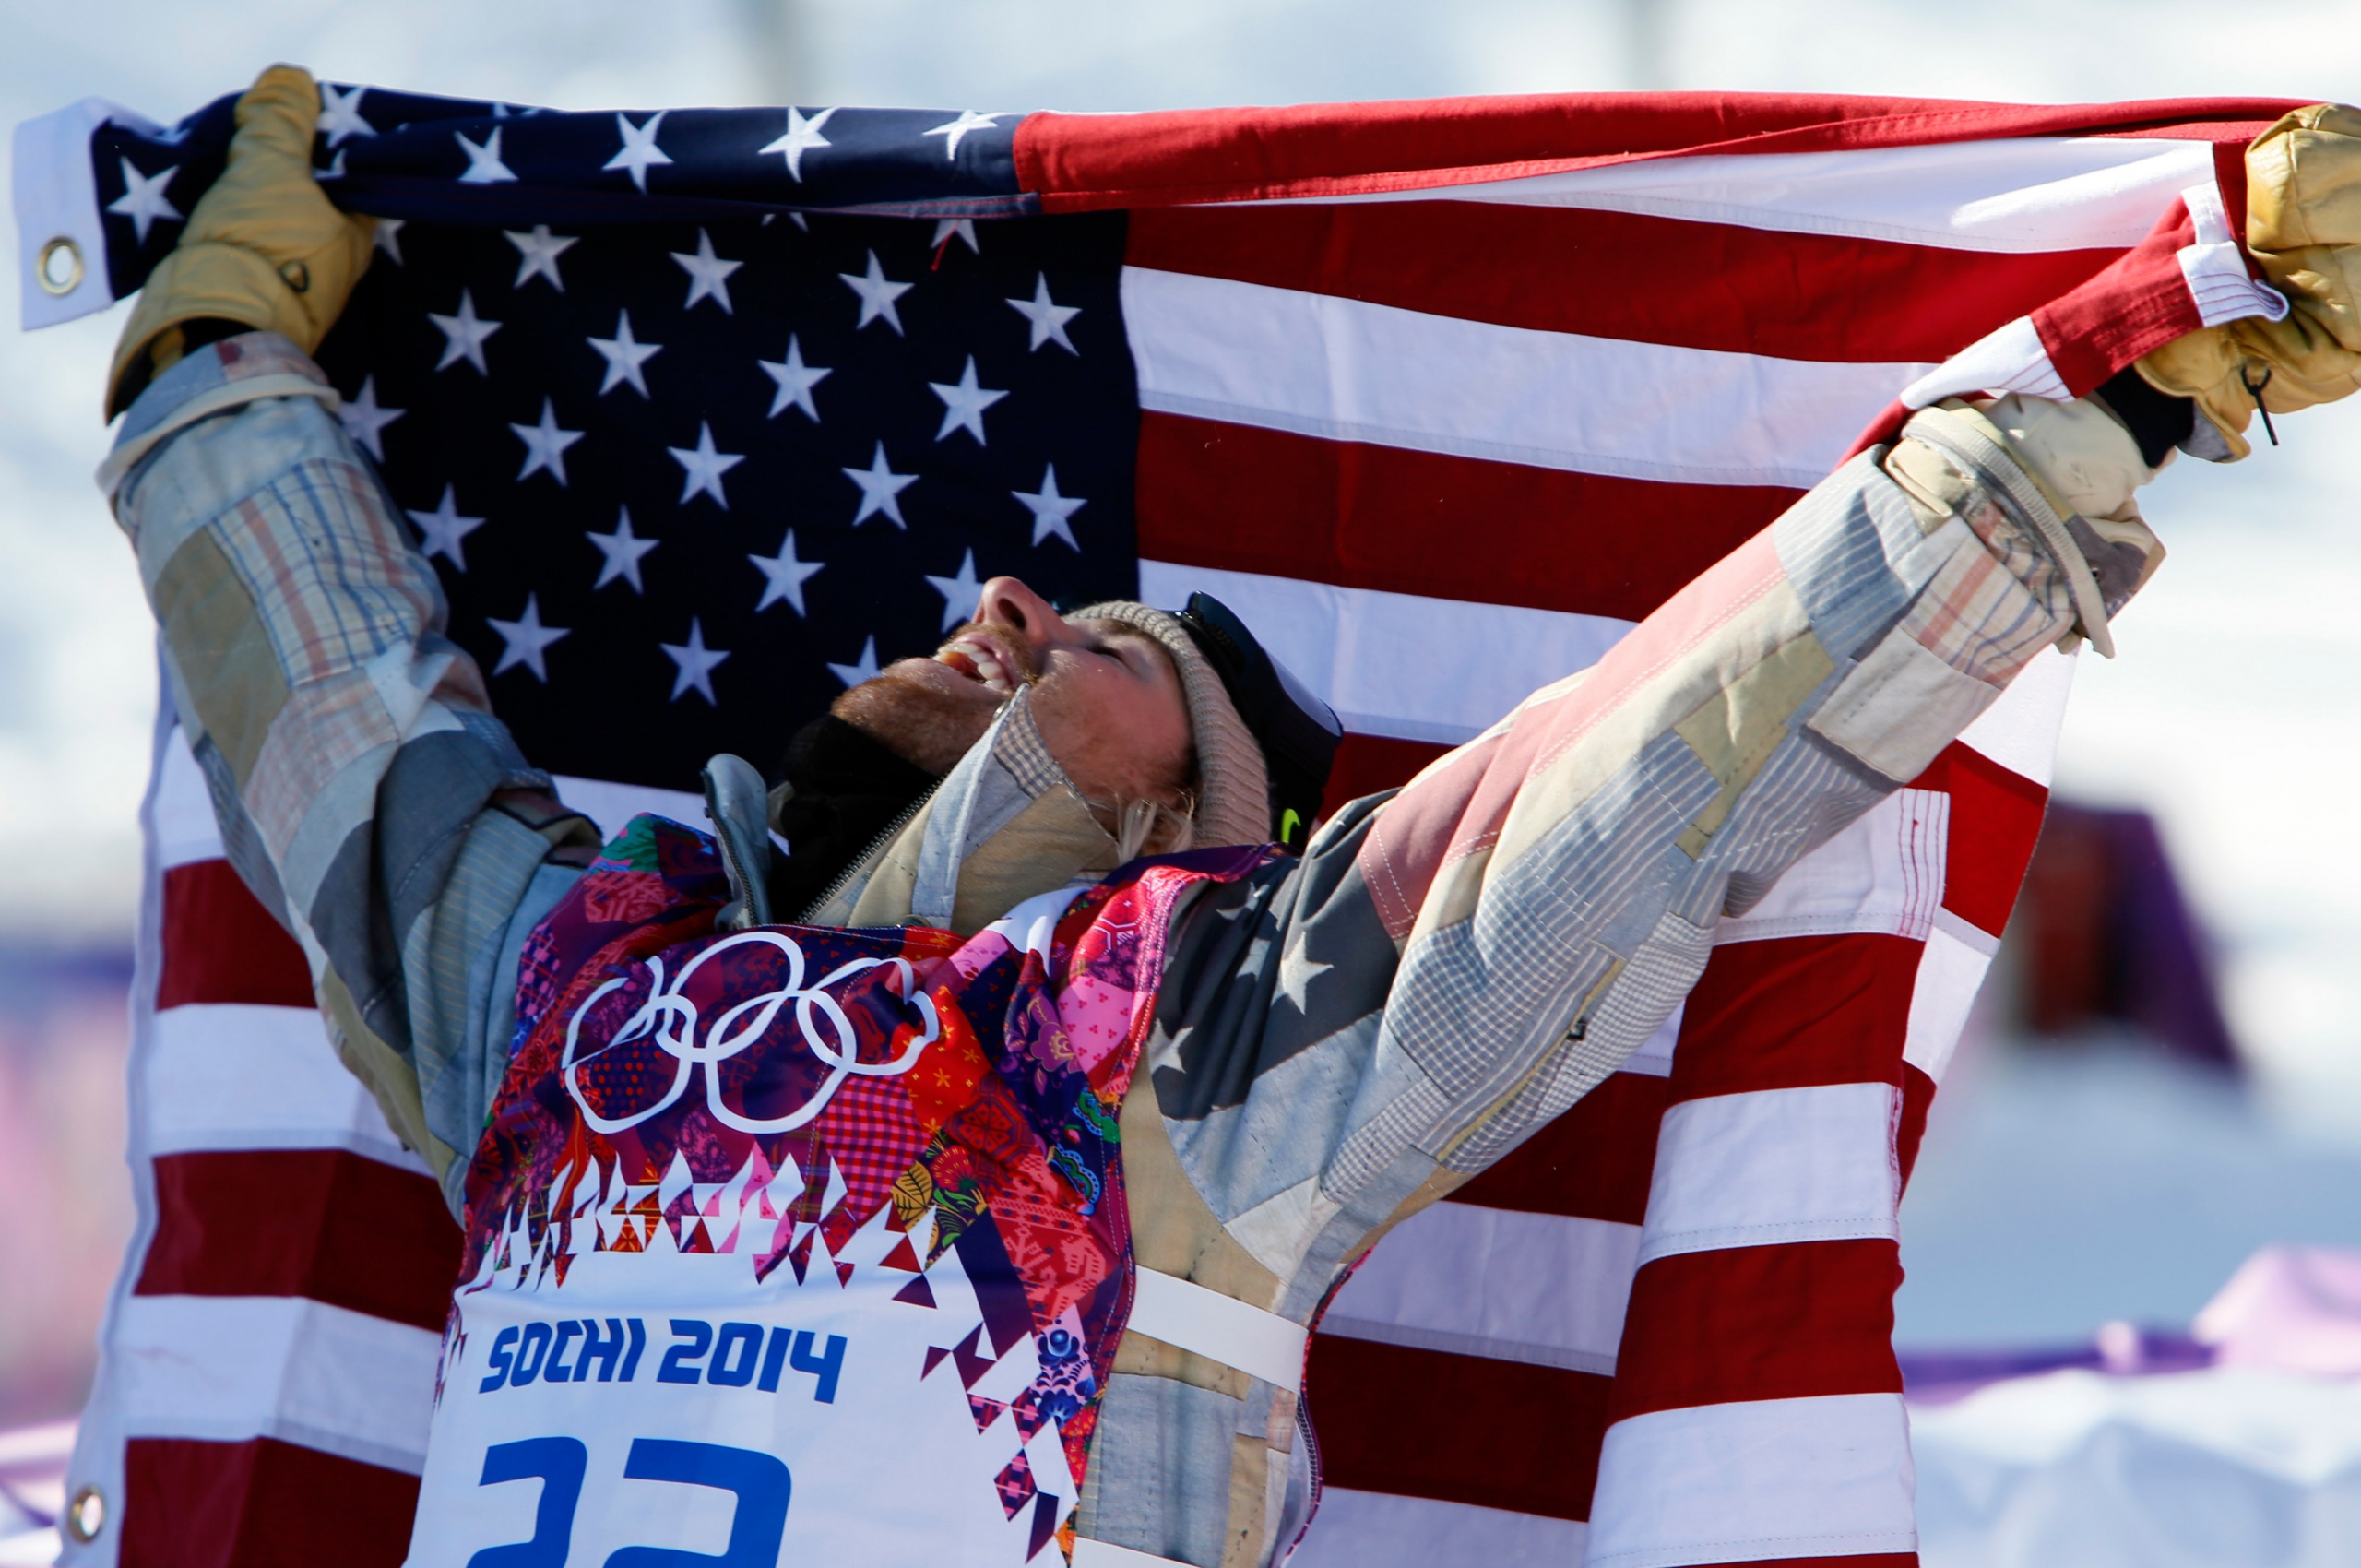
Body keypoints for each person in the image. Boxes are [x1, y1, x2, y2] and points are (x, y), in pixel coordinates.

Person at [97, 65, 2361, 1568]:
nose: (1000, 601)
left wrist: (2124, 373)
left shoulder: (1187, 1058)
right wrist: (212, 358)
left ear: (1200, 834)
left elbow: (1658, 776)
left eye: (1115, 642)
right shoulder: (576, 998)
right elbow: (334, 726)